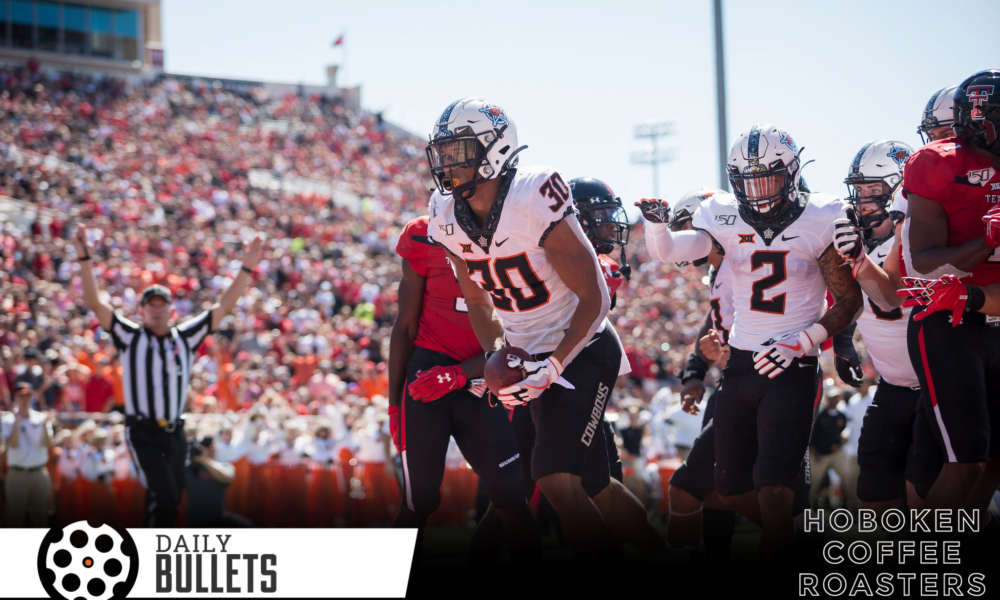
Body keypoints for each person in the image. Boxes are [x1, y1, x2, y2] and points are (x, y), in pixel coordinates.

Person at [425, 98, 672, 565]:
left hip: (581, 346)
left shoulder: (533, 193)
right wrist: (499, 355)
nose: (447, 163)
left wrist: (553, 365)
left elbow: (594, 297)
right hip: (526, 358)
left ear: (496, 150)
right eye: (444, 152)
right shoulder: (445, 214)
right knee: (541, 489)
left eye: (459, 150)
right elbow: (477, 302)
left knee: (557, 479)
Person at [643, 124, 863, 562]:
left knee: (775, 488)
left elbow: (849, 300)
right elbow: (669, 251)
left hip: (792, 368)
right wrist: (655, 228)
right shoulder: (723, 214)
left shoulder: (821, 215)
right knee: (728, 488)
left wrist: (804, 343)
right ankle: (809, 544)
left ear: (792, 173)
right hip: (740, 367)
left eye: (768, 179)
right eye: (749, 181)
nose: (759, 193)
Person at [73, 225, 264, 528]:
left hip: (175, 431)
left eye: (162, 306)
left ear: (172, 311)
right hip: (143, 430)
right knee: (165, 495)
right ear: (142, 310)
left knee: (171, 498)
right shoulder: (131, 336)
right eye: (151, 306)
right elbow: (96, 303)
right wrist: (85, 259)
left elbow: (224, 306)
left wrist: (246, 268)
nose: (157, 311)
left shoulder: (184, 336)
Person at [389, 211, 539, 566]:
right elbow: (405, 325)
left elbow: (519, 331)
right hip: (428, 375)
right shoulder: (423, 233)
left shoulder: (516, 232)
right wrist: (394, 403)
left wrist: (461, 373)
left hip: (483, 377)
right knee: (419, 499)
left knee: (511, 497)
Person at [894, 69, 1000, 527]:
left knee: (993, 463)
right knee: (966, 460)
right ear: (980, 120)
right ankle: (926, 559)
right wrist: (986, 241)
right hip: (947, 320)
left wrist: (975, 293)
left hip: (984, 305)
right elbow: (924, 262)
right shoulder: (937, 163)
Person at [1, 382, 54, 526]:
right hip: (18, 473)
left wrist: (46, 425)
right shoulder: (7, 420)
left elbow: (48, 444)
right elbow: (13, 444)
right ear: (15, 398)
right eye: (21, 396)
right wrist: (17, 421)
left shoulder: (41, 418)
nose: (25, 399)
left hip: (39, 471)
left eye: (28, 396)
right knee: (15, 518)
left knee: (40, 517)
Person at [185, 437, 252, 527]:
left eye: (213, 445)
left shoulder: (225, 465)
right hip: (196, 522)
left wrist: (205, 460)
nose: (211, 448)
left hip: (218, 518)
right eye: (207, 446)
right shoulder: (190, 468)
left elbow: (226, 478)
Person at [809, 392, 855, 508]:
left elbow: (844, 432)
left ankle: (859, 509)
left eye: (836, 398)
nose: (834, 400)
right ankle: (805, 509)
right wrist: (815, 452)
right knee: (812, 484)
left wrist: (840, 444)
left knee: (850, 479)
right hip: (820, 455)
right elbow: (812, 434)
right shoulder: (820, 414)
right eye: (832, 398)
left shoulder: (841, 415)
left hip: (836, 453)